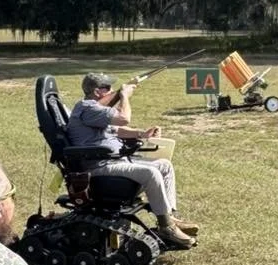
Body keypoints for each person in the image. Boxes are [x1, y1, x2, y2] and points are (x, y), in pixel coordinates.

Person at [66, 72, 198, 249]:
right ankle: (166, 229)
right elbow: (123, 118)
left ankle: (168, 218)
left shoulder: (95, 110)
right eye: (108, 88)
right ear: (98, 92)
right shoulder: (88, 108)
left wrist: (141, 134)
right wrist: (125, 96)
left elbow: (116, 130)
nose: (112, 90)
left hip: (113, 161)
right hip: (99, 166)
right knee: (150, 172)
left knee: (164, 165)